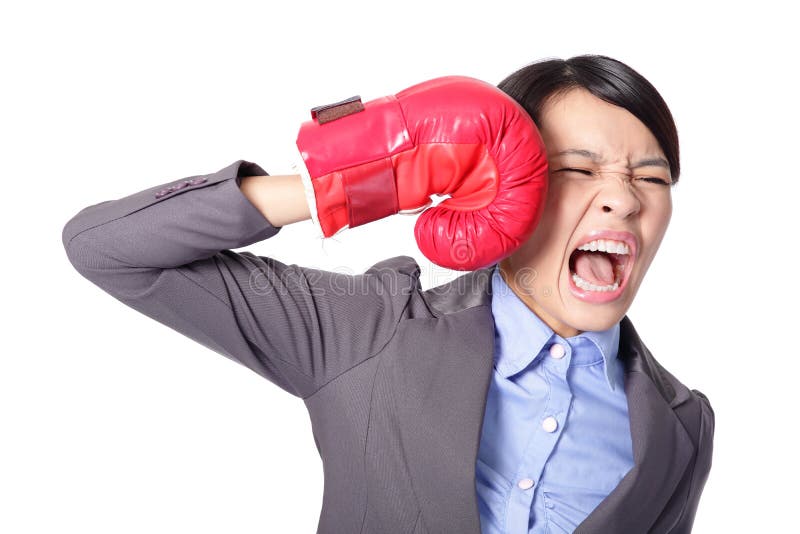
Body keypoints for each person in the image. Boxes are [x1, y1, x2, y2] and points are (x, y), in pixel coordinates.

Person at [62, 55, 714, 533]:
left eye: (650, 178)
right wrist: (351, 182)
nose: (625, 199)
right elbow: (108, 250)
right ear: (502, 181)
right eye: (577, 168)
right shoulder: (371, 330)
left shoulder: (682, 426)